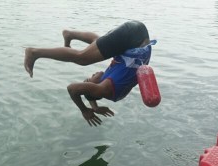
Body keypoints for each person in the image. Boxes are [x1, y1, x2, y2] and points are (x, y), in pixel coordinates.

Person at [24, 21, 154, 126]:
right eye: (89, 80)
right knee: (83, 58)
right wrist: (86, 110)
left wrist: (91, 107)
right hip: (135, 37)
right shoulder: (105, 89)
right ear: (95, 89)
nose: (91, 76)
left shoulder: (109, 85)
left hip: (136, 37)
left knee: (100, 45)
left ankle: (69, 35)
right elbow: (73, 88)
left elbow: (84, 90)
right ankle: (35, 52)